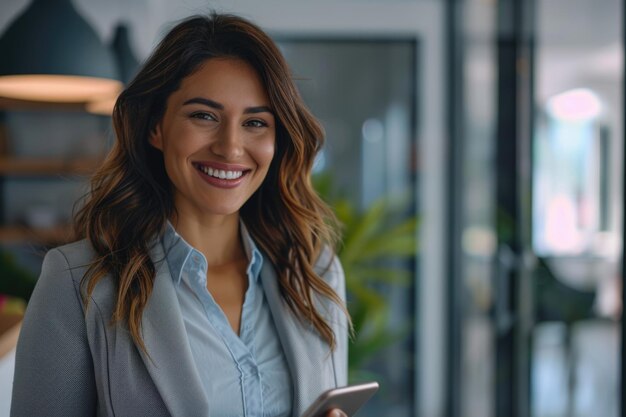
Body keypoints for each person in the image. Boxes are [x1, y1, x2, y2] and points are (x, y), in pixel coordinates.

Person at [11, 13, 351, 417]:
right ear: (156, 126)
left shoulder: (313, 272)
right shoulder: (78, 284)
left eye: (256, 123)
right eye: (203, 116)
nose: (230, 147)